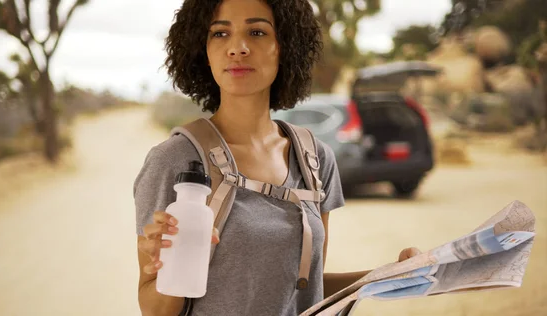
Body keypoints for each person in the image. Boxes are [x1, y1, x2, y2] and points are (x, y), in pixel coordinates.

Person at [134, 0, 421, 315]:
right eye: (220, 34)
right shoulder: (173, 160)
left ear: (284, 46)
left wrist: (390, 276)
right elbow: (156, 310)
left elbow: (309, 290)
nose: (237, 48)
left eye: (257, 32)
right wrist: (162, 270)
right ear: (203, 51)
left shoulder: (314, 158)